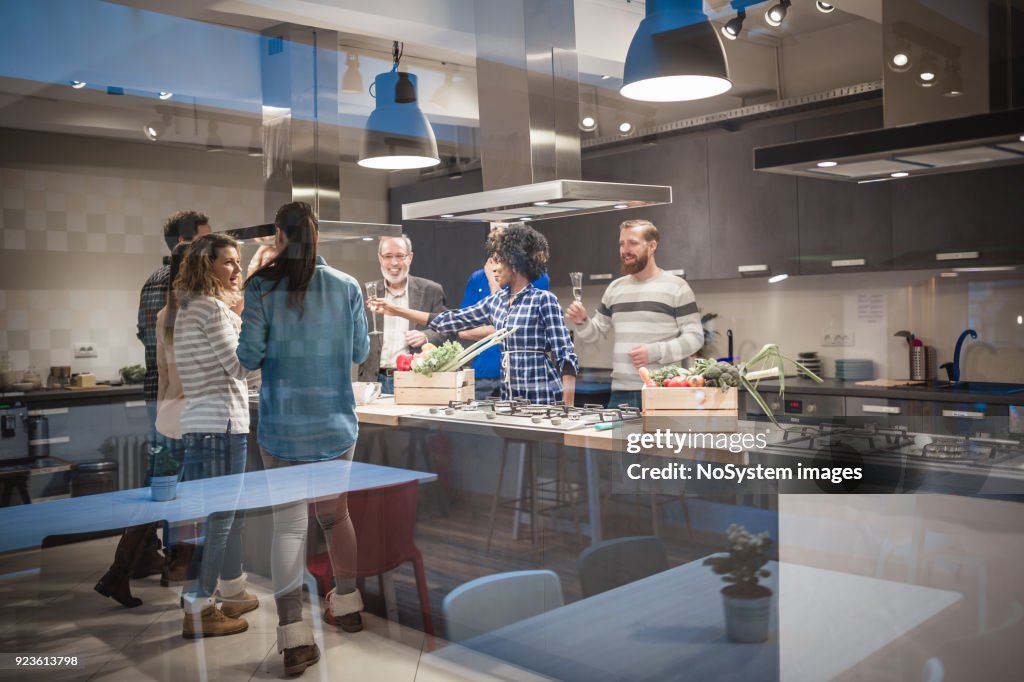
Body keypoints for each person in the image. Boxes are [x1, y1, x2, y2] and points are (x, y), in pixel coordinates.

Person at [238, 202, 369, 676]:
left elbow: (249, 357)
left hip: (282, 429)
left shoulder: (259, 286)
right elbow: (360, 350)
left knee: (289, 527)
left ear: (279, 235)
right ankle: (349, 607)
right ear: (318, 235)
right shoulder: (347, 286)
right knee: (337, 519)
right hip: (335, 426)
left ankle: (294, 638)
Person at [373, 223, 577, 405]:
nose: (494, 268)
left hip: (544, 398)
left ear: (515, 263)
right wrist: (396, 310)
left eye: (499, 261)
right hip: (511, 398)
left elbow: (566, 357)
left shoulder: (543, 299)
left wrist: (567, 408)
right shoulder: (496, 301)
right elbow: (451, 320)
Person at [95, 243, 191, 608]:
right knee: (183, 502)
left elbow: (164, 371)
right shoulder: (195, 314)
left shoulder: (166, 310)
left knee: (156, 496)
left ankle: (119, 572)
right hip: (186, 418)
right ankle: (183, 577)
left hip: (167, 414)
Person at [174, 233, 258, 639]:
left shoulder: (191, 308)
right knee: (220, 521)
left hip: (201, 425)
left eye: (238, 262)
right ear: (207, 265)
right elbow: (239, 366)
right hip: (222, 426)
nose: (236, 269)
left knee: (225, 517)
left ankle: (229, 593)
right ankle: (199, 608)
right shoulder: (211, 310)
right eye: (228, 262)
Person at [565, 219, 704, 409]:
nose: (625, 250)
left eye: (632, 243)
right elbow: (595, 334)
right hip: (620, 393)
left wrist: (655, 352)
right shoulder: (615, 288)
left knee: (663, 441)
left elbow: (695, 338)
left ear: (652, 246)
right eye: (621, 244)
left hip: (663, 392)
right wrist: (582, 321)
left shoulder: (677, 287)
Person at [356, 235, 448, 395]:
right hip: (373, 381)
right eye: (388, 256)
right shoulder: (365, 292)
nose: (394, 263)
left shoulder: (431, 291)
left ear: (410, 257)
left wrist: (426, 336)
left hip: (416, 379)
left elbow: (448, 330)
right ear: (380, 258)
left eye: (400, 256)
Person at [461, 254, 550, 400]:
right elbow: (463, 331)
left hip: (525, 374)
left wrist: (493, 283)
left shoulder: (537, 276)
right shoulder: (477, 278)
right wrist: (502, 327)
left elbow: (522, 325)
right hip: (484, 374)